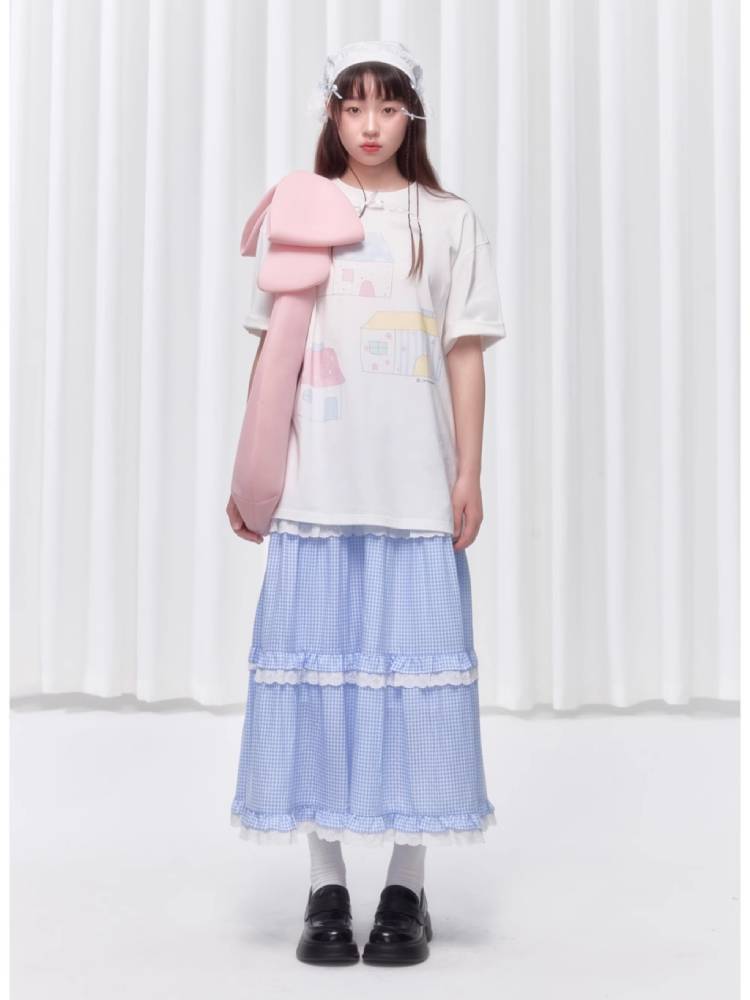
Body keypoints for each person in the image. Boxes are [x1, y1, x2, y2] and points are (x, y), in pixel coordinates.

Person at [227, 40, 507, 967]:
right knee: (317, 688)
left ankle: (406, 887)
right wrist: (254, 474)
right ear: (333, 116)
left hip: (414, 491)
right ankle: (326, 885)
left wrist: (468, 471)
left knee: (416, 696)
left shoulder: (448, 220)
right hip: (317, 492)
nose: (371, 125)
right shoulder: (299, 213)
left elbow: (465, 353)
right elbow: (271, 359)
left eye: (388, 107)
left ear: (410, 116)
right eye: (354, 108)